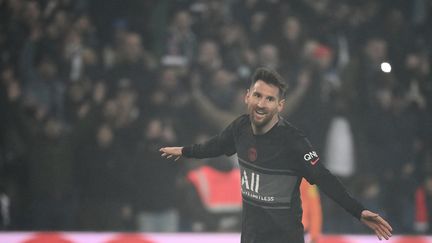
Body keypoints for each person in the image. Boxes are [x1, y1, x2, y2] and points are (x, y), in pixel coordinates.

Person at [160, 67, 393, 243]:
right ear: (247, 96)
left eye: (270, 99)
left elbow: (323, 177)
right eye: (258, 96)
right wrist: (184, 151)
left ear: (280, 105)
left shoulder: (293, 141)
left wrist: (358, 210)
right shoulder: (239, 128)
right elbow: (215, 146)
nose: (262, 104)